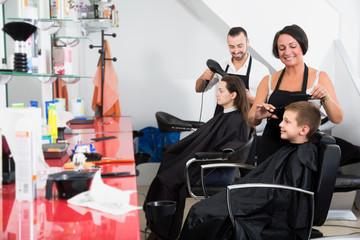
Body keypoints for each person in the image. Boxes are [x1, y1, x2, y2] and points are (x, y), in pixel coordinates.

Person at [180, 101, 321, 240]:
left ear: (303, 130)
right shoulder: (290, 148)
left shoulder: (302, 157)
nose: (281, 125)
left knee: (204, 214)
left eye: (287, 122)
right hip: (256, 197)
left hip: (267, 210)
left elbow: (286, 197)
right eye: (282, 120)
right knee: (200, 209)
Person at [144, 75, 252, 240]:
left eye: (221, 91)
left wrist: (197, 155)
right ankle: (157, 225)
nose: (217, 94)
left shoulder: (238, 120)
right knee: (169, 160)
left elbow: (228, 152)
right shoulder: (225, 115)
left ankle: (162, 232)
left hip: (214, 169)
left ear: (233, 95)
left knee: (169, 181)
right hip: (205, 162)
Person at [248, 24, 344, 164]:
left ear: (302, 46)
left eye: (293, 46)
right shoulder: (268, 81)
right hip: (271, 147)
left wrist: (326, 97)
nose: (287, 52)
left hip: (302, 152)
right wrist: (257, 115)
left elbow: (337, 118)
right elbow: (251, 119)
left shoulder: (320, 77)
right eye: (282, 48)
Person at [195, 26, 269, 113]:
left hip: (244, 123)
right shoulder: (221, 65)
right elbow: (199, 89)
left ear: (247, 42)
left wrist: (249, 99)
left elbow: (266, 103)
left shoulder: (261, 70)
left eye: (240, 46)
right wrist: (203, 78)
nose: (236, 51)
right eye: (232, 47)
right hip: (220, 119)